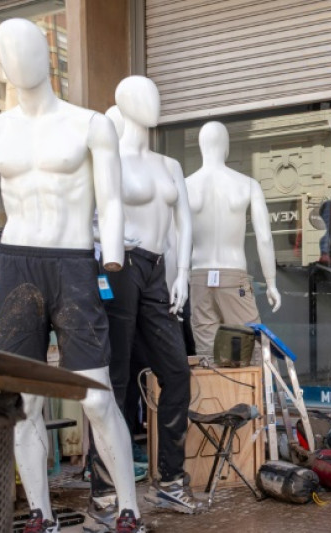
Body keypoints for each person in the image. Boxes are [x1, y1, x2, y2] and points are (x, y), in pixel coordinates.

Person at [0, 18, 142, 532]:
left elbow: (111, 198)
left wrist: (112, 255)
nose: (16, 59)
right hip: (14, 264)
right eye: (5, 51)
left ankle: (128, 508)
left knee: (95, 396)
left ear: (48, 52)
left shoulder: (90, 123)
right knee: (24, 401)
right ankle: (40, 514)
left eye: (26, 47)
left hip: (74, 265)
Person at [88, 75, 203, 527]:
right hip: (119, 269)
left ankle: (170, 479)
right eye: (143, 96)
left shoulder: (170, 164)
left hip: (158, 270)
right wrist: (107, 237)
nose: (154, 103)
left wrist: (184, 275)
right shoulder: (108, 157)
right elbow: (88, 214)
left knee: (176, 371)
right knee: (114, 377)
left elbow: (184, 223)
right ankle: (103, 486)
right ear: (123, 102)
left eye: (156, 94)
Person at [185, 121, 281, 358]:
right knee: (253, 347)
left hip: (198, 277)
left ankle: (215, 396)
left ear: (200, 146)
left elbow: (175, 241)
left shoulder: (185, 186)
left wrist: (172, 284)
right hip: (232, 274)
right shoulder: (247, 184)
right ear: (226, 147)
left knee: (207, 354)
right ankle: (260, 395)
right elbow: (265, 238)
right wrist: (271, 282)